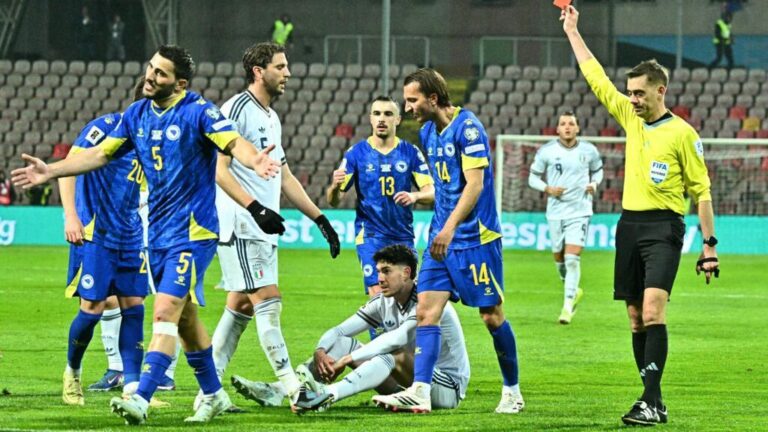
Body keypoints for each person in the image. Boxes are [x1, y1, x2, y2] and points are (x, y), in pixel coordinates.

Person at [12, 44, 282, 425]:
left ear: (180, 83)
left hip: (193, 233)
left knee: (164, 310)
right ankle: (214, 394)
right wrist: (52, 170)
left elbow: (234, 143)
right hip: (156, 235)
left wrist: (256, 160)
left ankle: (140, 397)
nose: (150, 76)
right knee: (186, 321)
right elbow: (100, 154)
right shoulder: (136, 114)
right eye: (151, 68)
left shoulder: (198, 112)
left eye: (160, 73)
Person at [560, 5, 720, 425]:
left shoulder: (683, 134)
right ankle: (654, 401)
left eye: (639, 93)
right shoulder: (630, 119)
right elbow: (595, 77)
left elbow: (701, 191)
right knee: (635, 320)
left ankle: (648, 401)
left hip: (664, 228)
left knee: (652, 312)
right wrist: (573, 31)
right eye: (629, 92)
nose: (632, 99)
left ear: (660, 91)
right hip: (628, 226)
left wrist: (709, 246)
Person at [372, 69, 523, 414]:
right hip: (441, 239)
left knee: (491, 316)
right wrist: (434, 217)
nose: (407, 108)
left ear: (433, 98)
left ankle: (512, 391)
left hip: (475, 238)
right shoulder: (427, 131)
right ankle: (421, 391)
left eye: (412, 100)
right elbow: (444, 186)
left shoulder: (468, 128)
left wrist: (450, 227)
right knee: (426, 312)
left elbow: (475, 185)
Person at [200, 41, 340, 410]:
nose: (288, 73)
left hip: (260, 227)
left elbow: (285, 177)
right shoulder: (236, 109)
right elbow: (219, 171)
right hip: (243, 224)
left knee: (240, 308)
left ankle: (207, 395)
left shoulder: (271, 117)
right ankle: (295, 389)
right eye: (280, 66)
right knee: (268, 300)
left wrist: (320, 218)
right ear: (258, 71)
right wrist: (255, 209)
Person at [232, 244, 470, 413]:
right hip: (405, 381)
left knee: (392, 352)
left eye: (386, 271)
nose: (379, 278)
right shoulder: (383, 301)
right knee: (342, 343)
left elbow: (398, 338)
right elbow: (339, 331)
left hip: (444, 387)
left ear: (406, 273)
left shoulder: (428, 302)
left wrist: (348, 360)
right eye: (378, 271)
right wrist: (320, 350)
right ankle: (283, 389)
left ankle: (328, 395)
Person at [57, 79, 147, 406]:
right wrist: (71, 216)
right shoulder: (107, 127)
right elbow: (69, 167)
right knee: (92, 308)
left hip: (131, 235)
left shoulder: (154, 139)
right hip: (96, 234)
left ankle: (132, 387)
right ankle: (73, 372)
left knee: (134, 308)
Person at [326, 95, 434, 338]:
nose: (382, 119)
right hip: (371, 234)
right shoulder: (356, 153)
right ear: (370, 119)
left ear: (398, 119)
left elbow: (431, 192)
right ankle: (381, 354)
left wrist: (415, 196)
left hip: (402, 235)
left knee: (408, 295)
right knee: (378, 292)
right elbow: (334, 200)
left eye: (387, 114)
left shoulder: (410, 153)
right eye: (377, 114)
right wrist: (334, 186)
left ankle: (404, 350)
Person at [528, 111, 603, 324]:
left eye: (571, 123)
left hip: (580, 210)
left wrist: (594, 183)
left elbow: (598, 171)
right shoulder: (547, 151)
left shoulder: (589, 150)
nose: (567, 127)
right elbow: (532, 178)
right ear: (557, 129)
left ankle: (567, 307)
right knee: (559, 259)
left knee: (571, 259)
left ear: (577, 128)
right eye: (563, 124)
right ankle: (573, 290)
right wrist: (548, 188)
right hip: (555, 212)